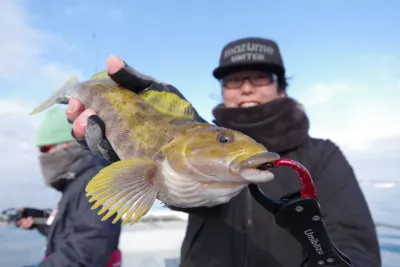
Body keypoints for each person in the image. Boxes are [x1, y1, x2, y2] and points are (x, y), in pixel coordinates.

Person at [65, 37, 381, 267]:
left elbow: (357, 243)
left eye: (260, 76)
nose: (246, 87)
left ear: (281, 86)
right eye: (233, 78)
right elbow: (186, 195)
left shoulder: (323, 155)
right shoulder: (195, 138)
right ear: (222, 90)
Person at [13, 106, 122, 267]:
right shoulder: (79, 180)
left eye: (45, 148)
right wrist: (36, 218)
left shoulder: (94, 182)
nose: (43, 156)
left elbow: (88, 250)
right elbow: (70, 229)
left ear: (67, 145)